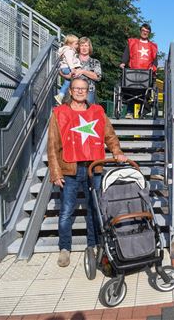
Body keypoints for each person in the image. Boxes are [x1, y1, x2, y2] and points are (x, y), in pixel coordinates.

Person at [47, 78, 127, 267]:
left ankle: (94, 244)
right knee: (66, 211)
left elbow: (110, 135)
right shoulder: (59, 113)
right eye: (76, 88)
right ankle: (64, 248)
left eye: (84, 88)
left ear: (88, 90)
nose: (80, 91)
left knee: (95, 209)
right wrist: (56, 172)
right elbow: (52, 145)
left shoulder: (97, 111)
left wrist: (117, 151)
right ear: (71, 91)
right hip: (69, 169)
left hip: (94, 167)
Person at [119, 23, 158, 118]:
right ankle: (130, 112)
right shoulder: (132, 42)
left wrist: (152, 68)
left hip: (146, 73)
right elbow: (126, 54)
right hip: (133, 72)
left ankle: (142, 112)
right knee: (130, 89)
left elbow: (155, 61)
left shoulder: (153, 46)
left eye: (147, 32)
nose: (145, 33)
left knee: (145, 91)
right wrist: (123, 62)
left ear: (149, 33)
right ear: (140, 31)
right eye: (143, 31)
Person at [55, 35, 82, 104]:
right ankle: (72, 94)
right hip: (67, 68)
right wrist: (72, 69)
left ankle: (60, 95)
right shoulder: (69, 51)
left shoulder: (67, 50)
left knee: (67, 82)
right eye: (76, 44)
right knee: (77, 77)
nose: (77, 45)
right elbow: (69, 60)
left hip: (65, 68)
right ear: (70, 44)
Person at [77, 37, 102, 104]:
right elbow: (66, 74)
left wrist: (83, 71)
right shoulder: (73, 60)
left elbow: (97, 77)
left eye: (86, 46)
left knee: (87, 112)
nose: (84, 48)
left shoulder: (95, 62)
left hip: (89, 91)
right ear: (79, 47)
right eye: (82, 45)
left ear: (89, 47)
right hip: (74, 90)